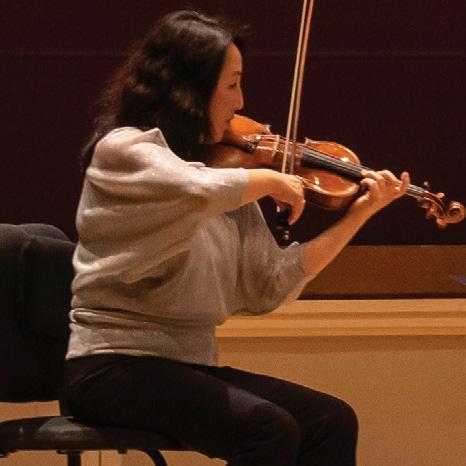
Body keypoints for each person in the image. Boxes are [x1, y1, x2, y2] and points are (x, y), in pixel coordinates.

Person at [63, 10, 410, 466]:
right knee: (267, 429)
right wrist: (269, 180)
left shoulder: (226, 173)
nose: (241, 102)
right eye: (231, 85)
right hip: (110, 366)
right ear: (189, 90)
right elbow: (193, 189)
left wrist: (358, 215)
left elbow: (270, 282)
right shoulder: (126, 151)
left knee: (331, 420)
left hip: (186, 366)